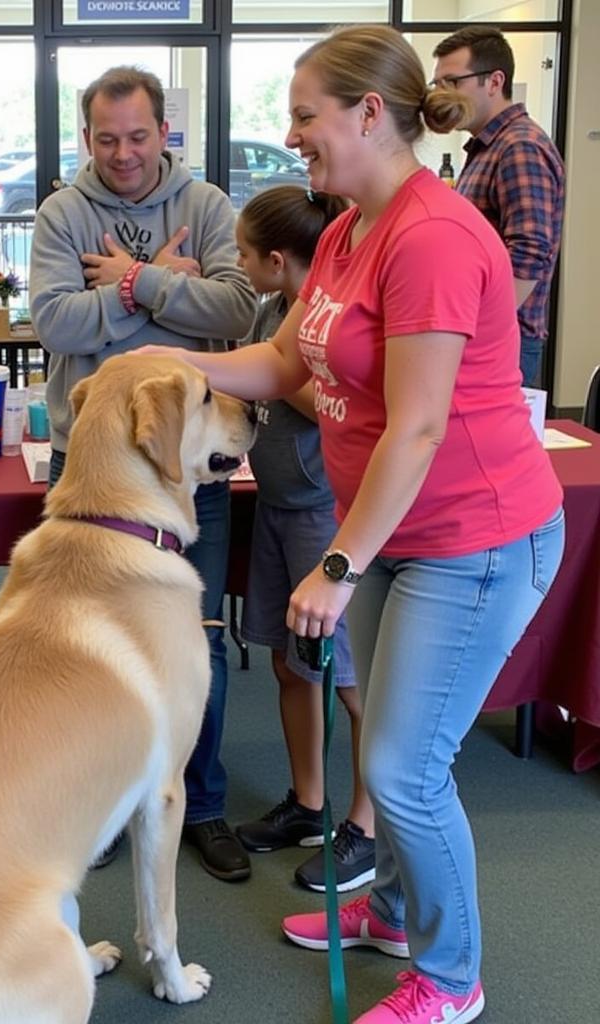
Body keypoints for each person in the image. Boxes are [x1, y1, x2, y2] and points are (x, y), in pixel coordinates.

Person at [139, 25, 565, 1024]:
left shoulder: (433, 236)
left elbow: (416, 429)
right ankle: (388, 915)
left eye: (303, 115)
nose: (291, 136)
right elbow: (284, 366)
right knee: (384, 738)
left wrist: (335, 560)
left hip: (473, 534)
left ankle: (452, 978)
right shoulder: (344, 231)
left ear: (369, 112)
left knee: (401, 769)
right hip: (398, 536)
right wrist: (170, 367)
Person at [29, 65, 256, 882]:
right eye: (105, 138)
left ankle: (201, 803)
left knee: (196, 640)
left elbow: (238, 310)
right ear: (86, 139)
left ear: (165, 132)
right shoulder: (62, 211)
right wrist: (166, 289)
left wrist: (126, 281)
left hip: (188, 468)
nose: (122, 154)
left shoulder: (206, 207)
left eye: (137, 135)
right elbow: (55, 324)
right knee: (85, 644)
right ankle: (103, 802)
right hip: (93, 461)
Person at [230, 185, 375, 894]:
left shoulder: (327, 317)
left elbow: (333, 403)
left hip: (326, 514)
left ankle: (366, 829)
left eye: (244, 253)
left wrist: (272, 371)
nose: (237, 261)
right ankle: (308, 803)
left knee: (353, 683)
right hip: (277, 506)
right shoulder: (269, 309)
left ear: (278, 259)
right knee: (293, 664)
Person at [432, 27, 565, 389]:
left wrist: (478, 329)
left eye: (452, 82)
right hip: (483, 333)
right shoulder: (488, 146)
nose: (441, 96)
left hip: (499, 341)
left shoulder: (519, 147)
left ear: (494, 81)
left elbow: (528, 253)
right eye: (437, 85)